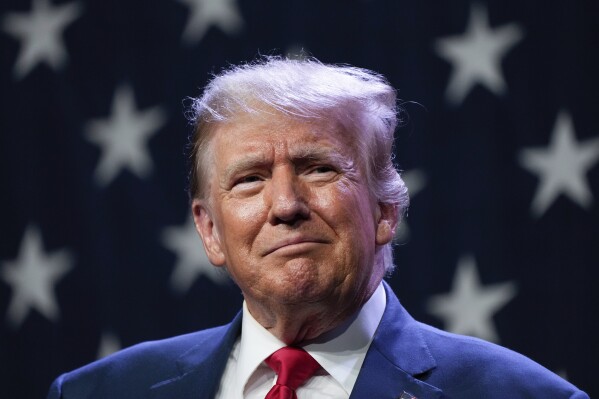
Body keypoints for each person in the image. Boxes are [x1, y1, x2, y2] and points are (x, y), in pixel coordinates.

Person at [47, 56, 588, 399]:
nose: (285, 204)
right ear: (209, 231)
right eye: (251, 179)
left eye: (318, 168)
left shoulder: (521, 395)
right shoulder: (99, 392)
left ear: (385, 211)